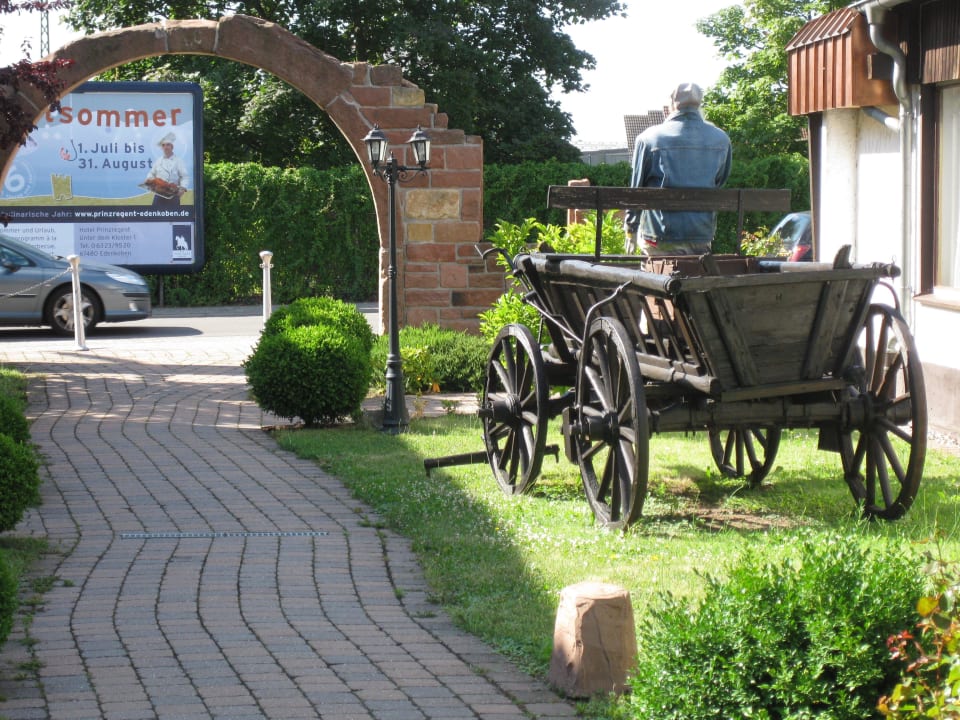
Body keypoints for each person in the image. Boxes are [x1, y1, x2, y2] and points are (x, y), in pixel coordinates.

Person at [624, 83, 732, 255]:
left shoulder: (648, 138)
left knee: (652, 264)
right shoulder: (721, 139)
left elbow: (636, 189)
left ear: (672, 104)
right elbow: (720, 181)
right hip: (701, 234)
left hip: (659, 235)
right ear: (699, 103)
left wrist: (631, 228)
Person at [144, 132, 189, 208]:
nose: (165, 147)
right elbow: (151, 173)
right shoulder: (158, 161)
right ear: (162, 148)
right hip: (159, 194)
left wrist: (183, 188)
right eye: (163, 145)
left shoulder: (178, 161)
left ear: (172, 147)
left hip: (173, 195)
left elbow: (184, 177)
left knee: (174, 214)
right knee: (155, 213)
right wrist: (149, 180)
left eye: (168, 145)